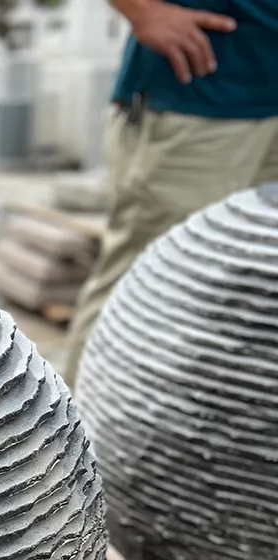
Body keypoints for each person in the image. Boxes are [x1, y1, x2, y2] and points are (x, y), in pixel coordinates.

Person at [63, 0, 278, 386]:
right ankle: (74, 442)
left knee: (252, 311)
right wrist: (140, 9)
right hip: (200, 99)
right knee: (146, 292)